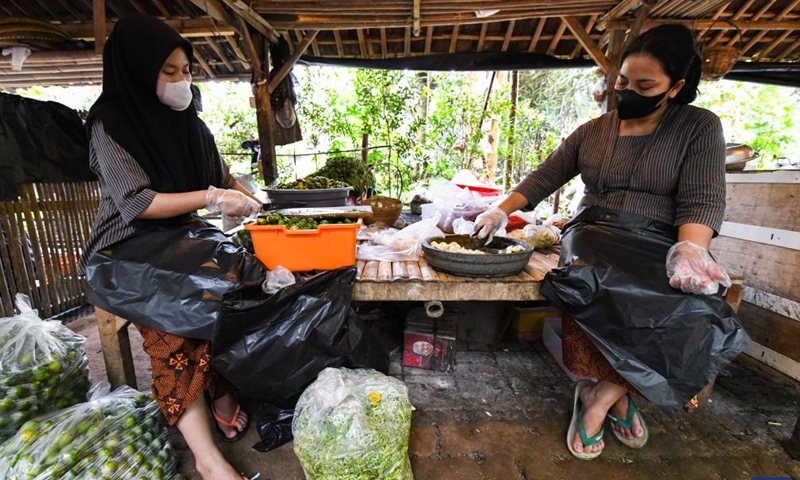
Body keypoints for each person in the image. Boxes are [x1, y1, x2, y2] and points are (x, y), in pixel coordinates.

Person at [474, 24, 748, 460]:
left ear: (675, 86)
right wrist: (499, 210)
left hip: (664, 240)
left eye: (645, 85)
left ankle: (600, 398)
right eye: (622, 82)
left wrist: (692, 250)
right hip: (594, 232)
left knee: (695, 306)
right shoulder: (594, 130)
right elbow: (546, 176)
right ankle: (618, 397)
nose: (627, 91)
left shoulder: (698, 127)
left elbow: (703, 197)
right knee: (590, 283)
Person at [79, 15, 262, 480]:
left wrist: (253, 198)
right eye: (170, 71)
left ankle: (219, 390)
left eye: (187, 71)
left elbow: (222, 179)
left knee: (244, 284)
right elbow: (137, 203)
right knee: (175, 325)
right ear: (138, 70)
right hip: (123, 252)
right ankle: (207, 457)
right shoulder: (111, 125)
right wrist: (210, 199)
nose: (183, 82)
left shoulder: (193, 128)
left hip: (180, 241)